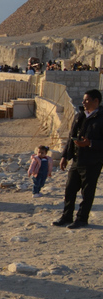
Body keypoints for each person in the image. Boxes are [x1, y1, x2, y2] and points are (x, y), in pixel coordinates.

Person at [52, 89, 103, 229]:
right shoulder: (80, 115)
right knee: (69, 190)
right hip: (77, 159)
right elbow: (71, 137)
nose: (83, 102)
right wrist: (65, 156)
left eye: (87, 100)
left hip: (93, 162)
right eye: (83, 100)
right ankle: (66, 216)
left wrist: (90, 143)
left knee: (87, 193)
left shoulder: (101, 118)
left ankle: (82, 219)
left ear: (96, 101)